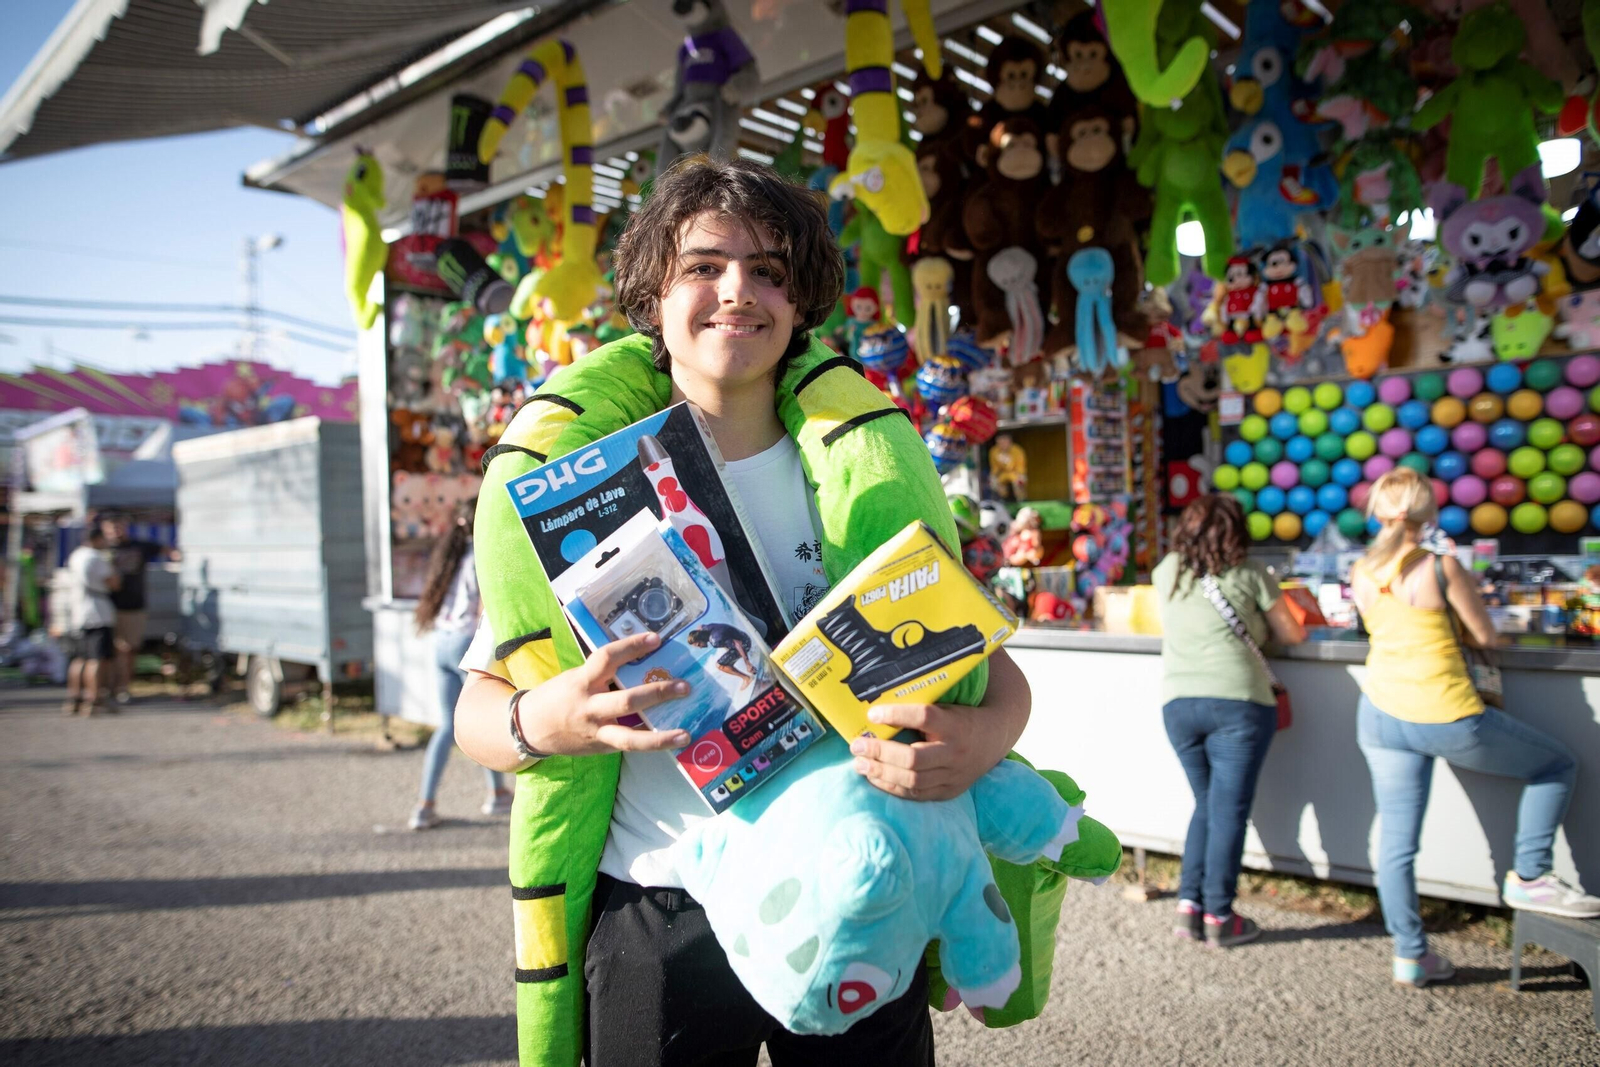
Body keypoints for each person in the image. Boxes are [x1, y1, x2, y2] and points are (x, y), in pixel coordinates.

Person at [453, 157, 1035, 1067]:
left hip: (851, 885)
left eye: (769, 270)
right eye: (704, 266)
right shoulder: (582, 486)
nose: (739, 292)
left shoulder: (861, 471)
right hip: (657, 898)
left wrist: (986, 737)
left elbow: (985, 663)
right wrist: (549, 718)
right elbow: (479, 709)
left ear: (802, 300)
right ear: (652, 293)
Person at [1350, 468, 1600, 988]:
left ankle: (1410, 956)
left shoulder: (1362, 570)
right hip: (1445, 712)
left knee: (1397, 845)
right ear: (1429, 514)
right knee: (1557, 764)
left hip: (1379, 713)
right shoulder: (1443, 568)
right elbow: (1488, 635)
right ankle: (1530, 875)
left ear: (1378, 513)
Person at [1153, 494, 1306, 948]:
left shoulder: (1166, 571)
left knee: (1207, 804)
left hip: (1178, 705)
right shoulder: (1251, 574)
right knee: (1228, 812)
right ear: (1237, 532)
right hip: (1238, 703)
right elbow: (1292, 632)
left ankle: (1189, 906)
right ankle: (1219, 914)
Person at [407, 497, 510, 831]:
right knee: (482, 720)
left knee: (447, 725)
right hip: (466, 644)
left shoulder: (447, 557)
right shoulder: (478, 557)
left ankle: (425, 804)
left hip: (441, 642)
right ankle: (495, 795)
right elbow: (488, 603)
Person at [101, 514, 167, 705]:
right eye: (111, 528)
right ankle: (107, 687)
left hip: (134, 606)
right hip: (107, 607)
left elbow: (168, 550)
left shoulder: (140, 546)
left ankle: (124, 688)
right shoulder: (101, 550)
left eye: (118, 526)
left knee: (128, 650)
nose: (115, 531)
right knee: (108, 651)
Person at [63, 524, 120, 716]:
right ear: (97, 539)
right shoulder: (97, 557)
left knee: (79, 658)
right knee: (96, 659)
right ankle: (94, 700)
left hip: (78, 612)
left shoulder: (76, 555)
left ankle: (73, 698)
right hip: (97, 612)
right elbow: (113, 583)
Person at [685, 623, 755, 687]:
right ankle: (752, 654)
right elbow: (699, 626)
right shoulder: (705, 628)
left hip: (745, 644)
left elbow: (737, 644)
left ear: (701, 638)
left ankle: (747, 678)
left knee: (720, 665)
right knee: (727, 646)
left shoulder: (716, 640)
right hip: (743, 635)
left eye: (699, 644)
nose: (700, 647)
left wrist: (747, 663)